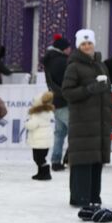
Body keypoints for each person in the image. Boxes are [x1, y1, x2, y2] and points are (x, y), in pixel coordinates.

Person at [61, 29, 112, 220]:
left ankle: (94, 196)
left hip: (100, 121)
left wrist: (111, 108)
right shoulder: (73, 67)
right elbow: (67, 92)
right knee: (83, 160)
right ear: (78, 46)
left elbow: (108, 90)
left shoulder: (101, 65)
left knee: (96, 160)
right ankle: (80, 197)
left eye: (89, 43)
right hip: (82, 121)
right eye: (83, 44)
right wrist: (90, 89)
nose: (87, 46)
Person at [41, 35, 71, 172]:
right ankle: (69, 157)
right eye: (68, 47)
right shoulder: (62, 62)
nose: (70, 49)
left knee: (59, 133)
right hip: (64, 100)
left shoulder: (50, 59)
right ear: (63, 49)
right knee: (74, 130)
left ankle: (55, 160)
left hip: (56, 101)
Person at [24, 90, 55, 181]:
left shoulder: (37, 114)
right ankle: (41, 173)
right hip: (45, 139)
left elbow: (32, 125)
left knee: (38, 158)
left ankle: (45, 173)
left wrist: (26, 123)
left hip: (39, 140)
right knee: (41, 157)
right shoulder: (48, 113)